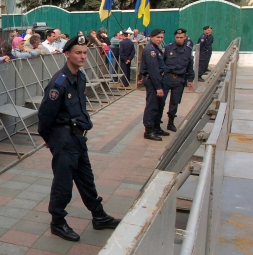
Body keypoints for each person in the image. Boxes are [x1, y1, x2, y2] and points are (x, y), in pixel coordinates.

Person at [37, 35, 121, 242]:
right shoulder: (59, 83)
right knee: (63, 184)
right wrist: (50, 139)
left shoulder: (79, 77)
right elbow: (45, 115)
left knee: (86, 179)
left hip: (78, 137)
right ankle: (57, 222)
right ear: (67, 54)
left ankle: (99, 216)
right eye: (78, 53)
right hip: (63, 139)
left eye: (84, 53)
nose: (83, 56)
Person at [161, 29, 195, 132]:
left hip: (179, 80)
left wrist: (190, 80)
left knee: (174, 102)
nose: (179, 39)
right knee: (160, 101)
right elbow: (161, 63)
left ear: (185, 37)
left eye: (181, 37)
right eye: (177, 37)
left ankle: (170, 123)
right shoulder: (168, 48)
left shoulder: (188, 50)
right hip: (167, 78)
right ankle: (156, 122)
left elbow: (190, 66)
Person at [139, 28, 169, 141]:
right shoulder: (150, 50)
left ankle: (156, 127)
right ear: (151, 37)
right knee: (152, 106)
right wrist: (158, 87)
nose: (160, 39)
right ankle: (149, 130)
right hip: (153, 81)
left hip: (158, 80)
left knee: (159, 105)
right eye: (158, 37)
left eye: (161, 37)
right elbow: (153, 70)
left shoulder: (156, 48)